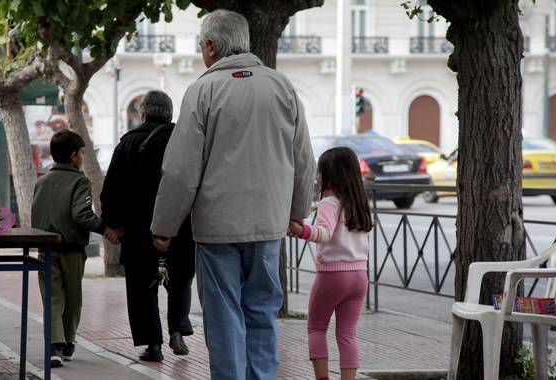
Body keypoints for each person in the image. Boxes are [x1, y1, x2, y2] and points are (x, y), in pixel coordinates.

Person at [149, 9, 315, 380]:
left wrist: (165, 226)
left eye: (201, 45)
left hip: (217, 227)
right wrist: (296, 212)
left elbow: (180, 170)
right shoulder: (282, 86)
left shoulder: (202, 91)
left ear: (210, 45)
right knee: (262, 311)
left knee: (224, 316)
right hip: (269, 226)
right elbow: (303, 158)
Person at [101, 90, 195, 362]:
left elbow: (112, 189)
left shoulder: (129, 142)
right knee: (177, 278)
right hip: (180, 228)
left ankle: (153, 345)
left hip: (140, 231)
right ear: (169, 114)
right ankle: (177, 327)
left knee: (143, 286)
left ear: (143, 114)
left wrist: (114, 225)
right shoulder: (183, 141)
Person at [31, 130, 119, 368]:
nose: (82, 157)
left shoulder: (41, 181)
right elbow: (81, 214)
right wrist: (105, 229)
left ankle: (54, 346)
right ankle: (67, 342)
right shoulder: (79, 181)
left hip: (45, 248)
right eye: (81, 152)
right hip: (71, 248)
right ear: (73, 156)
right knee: (73, 298)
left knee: (52, 297)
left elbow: (36, 213)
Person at [288, 147, 373, 380]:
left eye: (320, 172)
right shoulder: (359, 202)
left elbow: (324, 233)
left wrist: (300, 230)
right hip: (359, 276)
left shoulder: (329, 202)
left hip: (333, 275)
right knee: (347, 333)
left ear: (331, 174)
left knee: (316, 328)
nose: (317, 177)